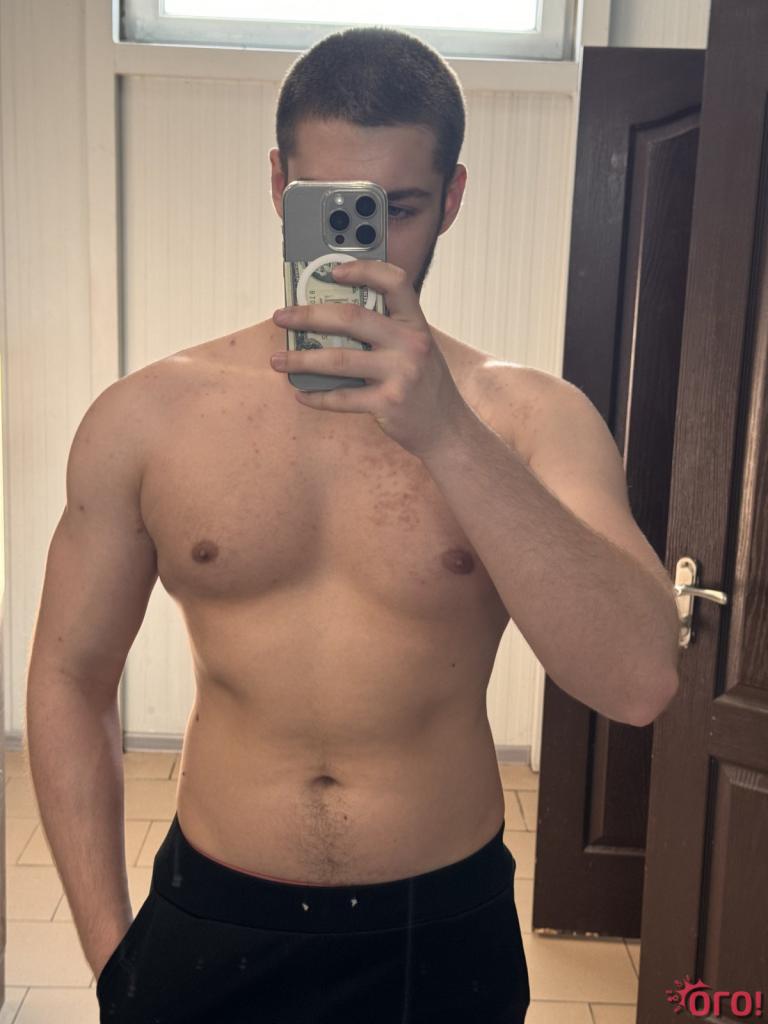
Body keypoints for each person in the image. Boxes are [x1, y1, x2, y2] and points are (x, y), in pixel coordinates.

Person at [25, 21, 681, 1024]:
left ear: (451, 199)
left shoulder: (529, 418)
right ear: (278, 182)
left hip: (438, 929)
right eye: (324, 200)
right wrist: (114, 956)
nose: (354, 244)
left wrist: (447, 434)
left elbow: (637, 681)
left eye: (397, 209)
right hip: (213, 914)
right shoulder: (147, 418)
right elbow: (70, 679)